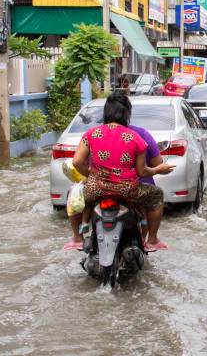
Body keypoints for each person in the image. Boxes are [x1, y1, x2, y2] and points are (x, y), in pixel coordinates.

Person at [63, 93, 175, 252]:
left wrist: (90, 176)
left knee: (72, 194)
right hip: (128, 190)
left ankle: (78, 239)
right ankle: (151, 240)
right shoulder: (136, 138)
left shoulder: (91, 134)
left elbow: (76, 162)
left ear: (106, 113)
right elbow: (142, 172)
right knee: (157, 194)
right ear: (127, 115)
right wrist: (158, 170)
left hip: (96, 189)